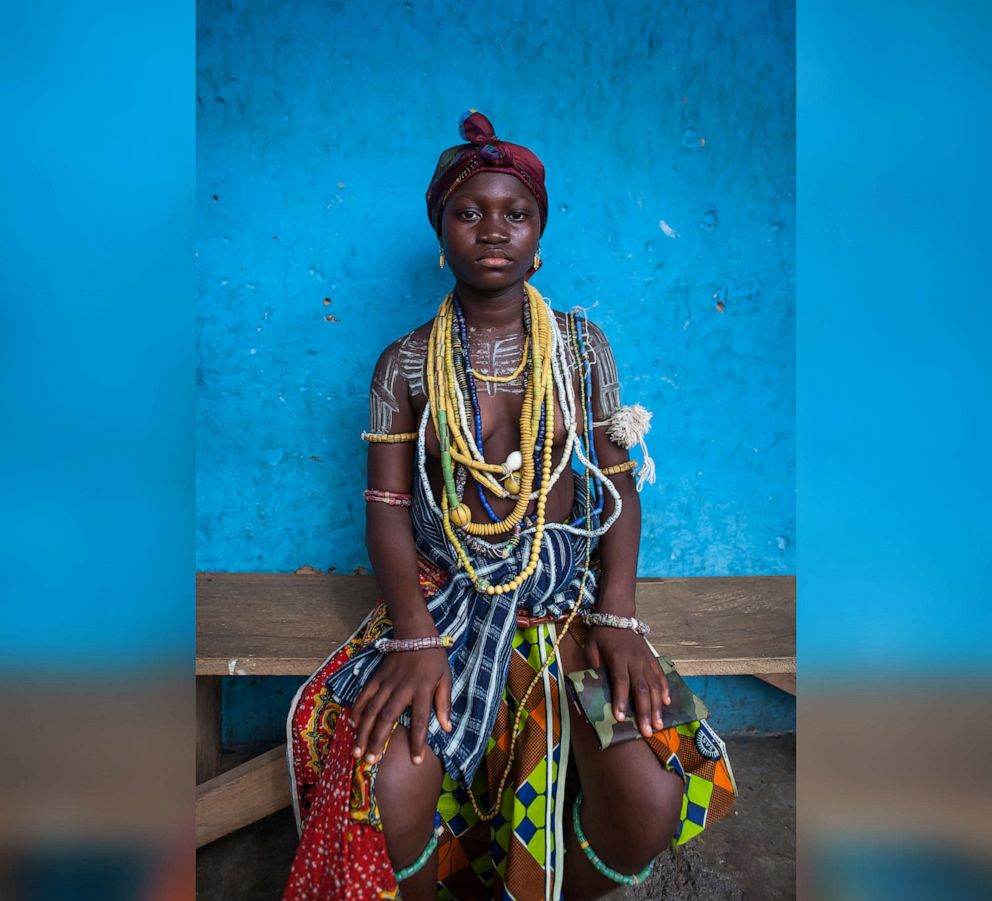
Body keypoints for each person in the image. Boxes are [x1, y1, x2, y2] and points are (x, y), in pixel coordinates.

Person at [283, 111, 737, 901]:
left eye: (514, 213)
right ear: (441, 233)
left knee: (651, 791)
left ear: (539, 234)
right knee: (384, 782)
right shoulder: (405, 365)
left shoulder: (580, 347)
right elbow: (387, 508)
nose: (493, 229)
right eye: (469, 212)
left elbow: (615, 484)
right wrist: (415, 636)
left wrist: (618, 615)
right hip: (444, 609)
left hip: (565, 607)